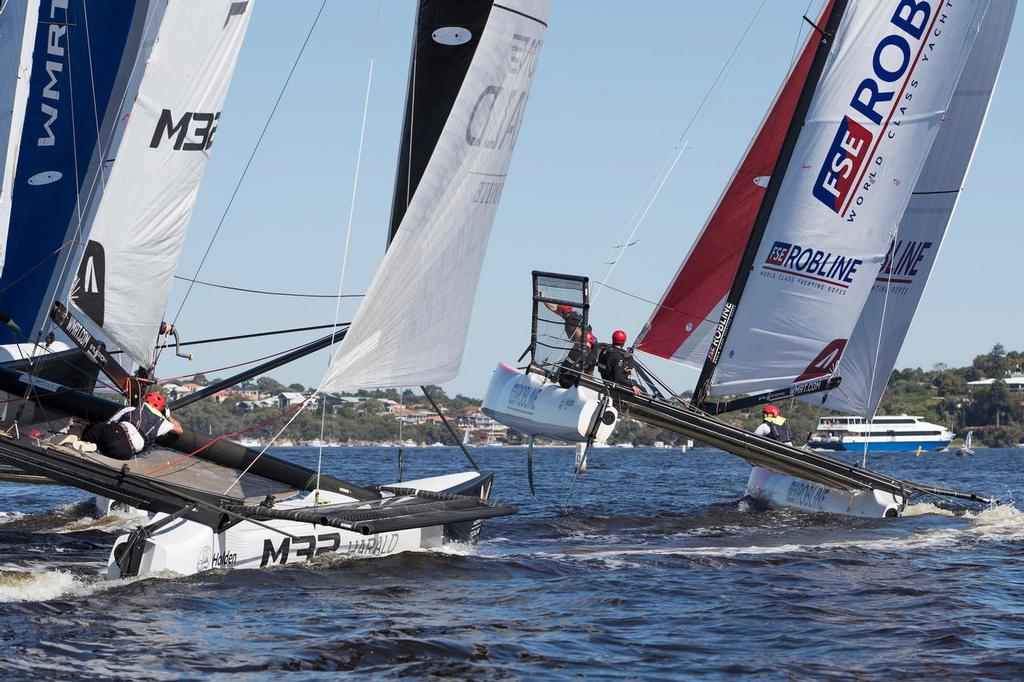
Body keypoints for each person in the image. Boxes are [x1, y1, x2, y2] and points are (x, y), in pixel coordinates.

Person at [80, 391, 183, 460]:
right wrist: (168, 416)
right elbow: (179, 429)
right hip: (125, 453)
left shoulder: (132, 409)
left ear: (144, 401)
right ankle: (94, 446)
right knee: (108, 445)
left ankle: (79, 436)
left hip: (116, 434)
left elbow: (108, 423)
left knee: (96, 428)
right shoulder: (162, 422)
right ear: (161, 409)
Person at [598, 329, 642, 396]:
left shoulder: (605, 350)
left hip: (606, 382)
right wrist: (632, 385)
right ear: (623, 342)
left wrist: (624, 370)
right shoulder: (617, 356)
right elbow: (618, 378)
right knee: (642, 390)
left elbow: (609, 366)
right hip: (615, 387)